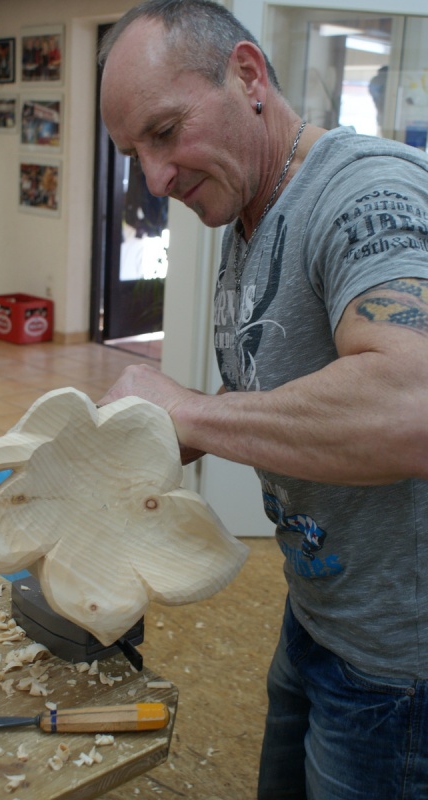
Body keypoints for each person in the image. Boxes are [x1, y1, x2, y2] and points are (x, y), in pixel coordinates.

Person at [98, 1, 428, 798]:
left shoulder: (368, 194)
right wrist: (175, 431)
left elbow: (413, 403)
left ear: (247, 76)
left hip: (400, 669)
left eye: (165, 131)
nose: (155, 178)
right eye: (135, 153)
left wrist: (189, 411)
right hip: (319, 612)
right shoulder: (252, 210)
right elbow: (278, 382)